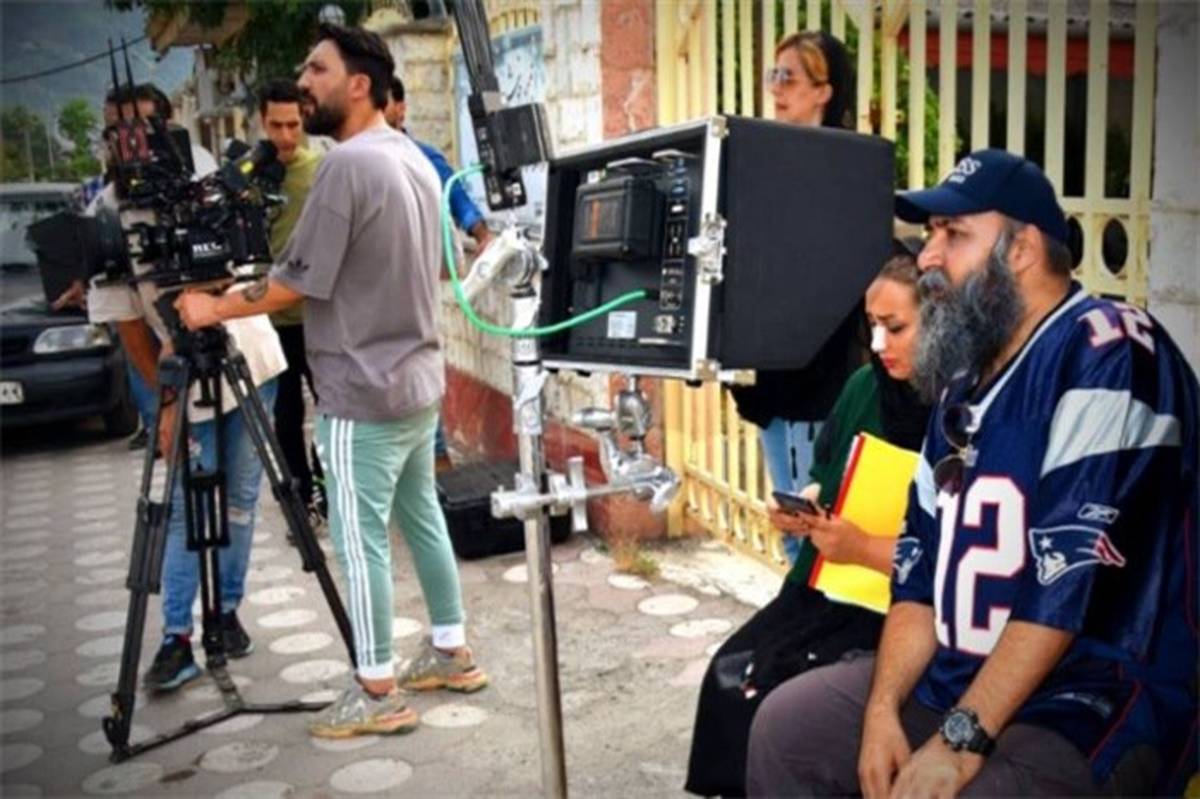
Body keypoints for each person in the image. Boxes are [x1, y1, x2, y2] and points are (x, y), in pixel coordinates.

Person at [746, 150, 1199, 797]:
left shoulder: (1108, 349)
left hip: (1088, 693)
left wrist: (958, 740)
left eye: (953, 234)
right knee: (786, 729)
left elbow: (1061, 582)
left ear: (1022, 249)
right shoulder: (962, 382)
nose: (928, 256)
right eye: (931, 233)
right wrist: (881, 710)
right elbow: (918, 570)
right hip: (960, 672)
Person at [176, 23, 488, 739]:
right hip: (415, 381)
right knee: (421, 516)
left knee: (359, 540)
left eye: (317, 69)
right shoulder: (409, 155)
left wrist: (210, 307)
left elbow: (295, 281)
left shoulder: (345, 166)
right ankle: (451, 650)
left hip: (361, 389)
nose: (304, 81)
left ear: (359, 84)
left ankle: (376, 689)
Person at [685, 247, 930, 797]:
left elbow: (954, 562)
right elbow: (828, 472)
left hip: (904, 610)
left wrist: (862, 547)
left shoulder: (960, 413)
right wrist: (804, 506)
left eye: (895, 328)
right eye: (871, 326)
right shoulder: (864, 387)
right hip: (830, 588)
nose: (878, 344)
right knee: (731, 676)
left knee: (784, 705)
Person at [85, 83, 285, 692]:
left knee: (240, 501)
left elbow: (234, 274)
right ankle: (177, 636)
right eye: (117, 129)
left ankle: (226, 614)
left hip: (247, 360)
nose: (131, 140)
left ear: (167, 125)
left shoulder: (203, 174)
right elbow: (129, 327)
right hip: (178, 373)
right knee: (179, 510)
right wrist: (165, 401)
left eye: (142, 125)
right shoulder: (106, 213)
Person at [729, 31, 864, 564]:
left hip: (814, 380)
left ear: (824, 91)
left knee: (809, 532)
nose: (776, 88)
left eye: (789, 77)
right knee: (792, 526)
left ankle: (805, 615)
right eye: (773, 75)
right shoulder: (772, 163)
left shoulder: (844, 171)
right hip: (773, 380)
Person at [384, 74, 493, 471]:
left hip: (414, 293)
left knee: (418, 379)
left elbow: (457, 199)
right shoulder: (356, 160)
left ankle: (437, 466)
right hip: (371, 296)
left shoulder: (422, 156)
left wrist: (483, 236)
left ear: (401, 109)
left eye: (384, 104)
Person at [256, 79, 328, 527]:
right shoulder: (249, 175)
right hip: (269, 320)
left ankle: (328, 489)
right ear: (260, 122)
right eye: (275, 125)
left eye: (292, 125)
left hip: (320, 317)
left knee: (331, 409)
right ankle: (299, 503)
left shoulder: (322, 170)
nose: (284, 136)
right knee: (285, 415)